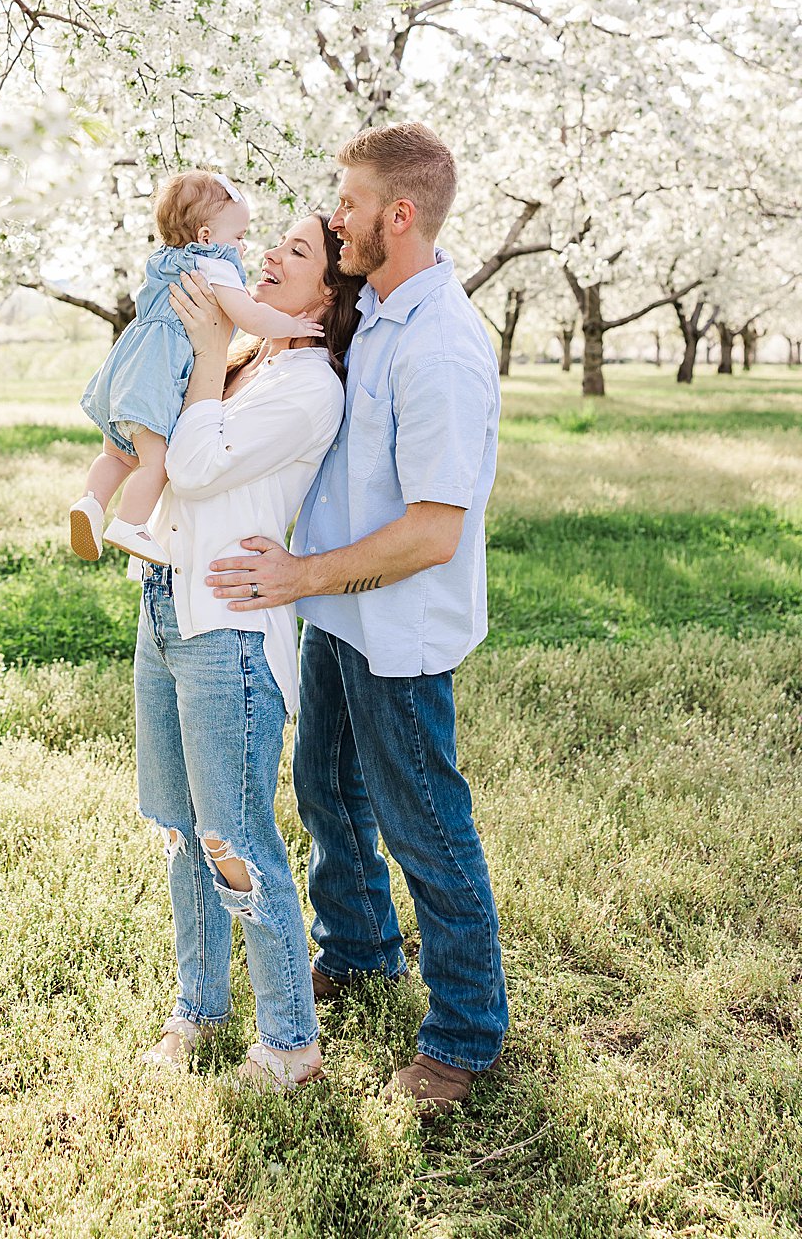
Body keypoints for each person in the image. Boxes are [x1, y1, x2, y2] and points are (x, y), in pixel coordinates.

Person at [205, 123, 508, 1119]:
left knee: (428, 831)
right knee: (327, 793)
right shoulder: (374, 311)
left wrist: (296, 575)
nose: (334, 217)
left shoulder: (444, 345)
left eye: (349, 202)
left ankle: (463, 1038)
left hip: (400, 635)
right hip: (336, 617)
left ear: (401, 214)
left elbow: (430, 534)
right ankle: (362, 950)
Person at [133, 212, 363, 1090]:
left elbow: (193, 469)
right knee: (181, 827)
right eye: (278, 243)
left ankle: (292, 1044)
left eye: (298, 253)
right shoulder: (247, 363)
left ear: (327, 295)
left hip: (228, 633)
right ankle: (198, 1011)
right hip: (165, 606)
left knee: (234, 833)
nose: (270, 255)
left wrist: (203, 352)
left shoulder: (309, 387)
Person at [71, 169, 322, 565]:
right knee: (154, 462)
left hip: (125, 366)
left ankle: (90, 502)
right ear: (206, 237)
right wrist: (291, 324)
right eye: (239, 236)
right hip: (157, 374)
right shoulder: (214, 264)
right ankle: (129, 524)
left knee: (118, 455)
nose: (246, 248)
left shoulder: (164, 260)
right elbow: (251, 316)